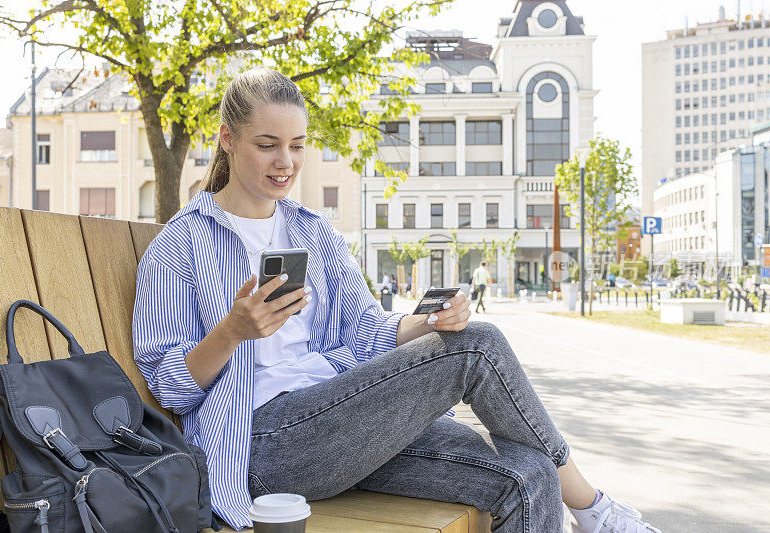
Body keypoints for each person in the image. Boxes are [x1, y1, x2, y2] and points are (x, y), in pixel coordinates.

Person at [132, 68, 660, 533]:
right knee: (476, 347)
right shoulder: (180, 246)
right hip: (264, 442)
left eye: (297, 145)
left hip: (346, 418)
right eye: (267, 144)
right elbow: (167, 386)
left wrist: (427, 321)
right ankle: (595, 510)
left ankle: (586, 508)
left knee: (528, 476)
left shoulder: (313, 233)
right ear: (227, 139)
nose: (285, 161)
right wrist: (230, 334)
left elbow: (366, 334)